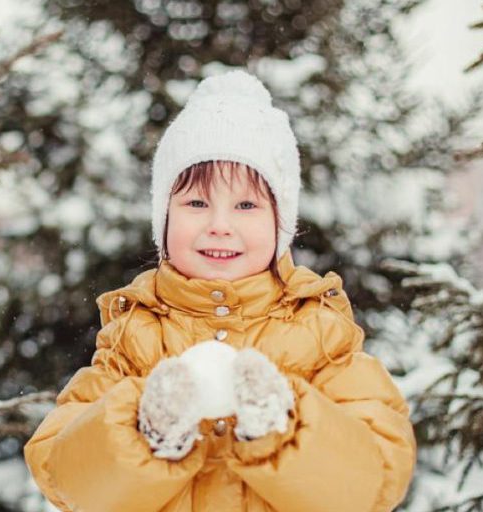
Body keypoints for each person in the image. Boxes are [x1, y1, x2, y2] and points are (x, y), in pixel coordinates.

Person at [23, 70, 416, 511]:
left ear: (280, 222)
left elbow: (375, 479)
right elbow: (64, 473)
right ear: (164, 220)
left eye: (246, 205)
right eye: (196, 203)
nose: (220, 225)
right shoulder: (135, 339)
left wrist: (283, 425)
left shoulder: (320, 334)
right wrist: (146, 430)